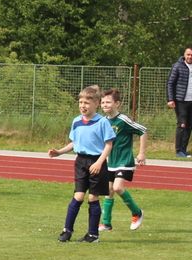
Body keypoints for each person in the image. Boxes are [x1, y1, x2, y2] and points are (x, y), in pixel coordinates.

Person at [49, 85, 115, 243]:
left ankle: (93, 235)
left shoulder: (102, 122)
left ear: (96, 104)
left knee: (93, 198)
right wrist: (59, 152)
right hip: (80, 162)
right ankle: (67, 230)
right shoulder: (76, 121)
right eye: (80, 102)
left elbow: (109, 145)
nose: (83, 106)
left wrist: (99, 162)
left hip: (96, 162)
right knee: (78, 196)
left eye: (86, 103)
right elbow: (74, 143)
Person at [98, 89, 147, 232]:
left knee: (118, 188)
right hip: (110, 162)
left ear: (117, 104)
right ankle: (106, 223)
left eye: (108, 102)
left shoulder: (123, 120)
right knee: (108, 191)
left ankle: (137, 212)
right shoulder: (103, 121)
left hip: (124, 161)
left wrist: (141, 153)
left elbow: (143, 131)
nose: (105, 105)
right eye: (102, 102)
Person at [165, 47, 192, 157]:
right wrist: (170, 99)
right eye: (188, 54)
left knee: (189, 126)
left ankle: (184, 150)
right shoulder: (177, 66)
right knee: (182, 124)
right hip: (180, 101)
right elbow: (170, 83)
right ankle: (178, 150)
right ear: (184, 55)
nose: (190, 57)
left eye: (191, 55)